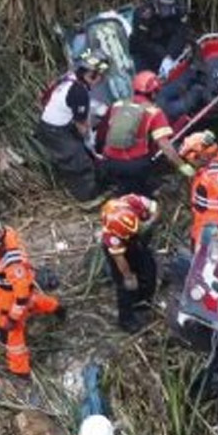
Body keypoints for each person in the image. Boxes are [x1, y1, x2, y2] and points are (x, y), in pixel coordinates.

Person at [99, 72, 193, 196]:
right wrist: (182, 166)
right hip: (136, 167)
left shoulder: (117, 105)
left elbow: (103, 133)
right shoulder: (154, 112)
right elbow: (165, 147)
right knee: (145, 196)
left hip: (110, 163)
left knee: (124, 190)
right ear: (154, 93)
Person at [36, 48, 111, 203]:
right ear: (92, 74)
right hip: (56, 131)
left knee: (76, 154)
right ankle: (87, 198)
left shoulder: (69, 77)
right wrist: (91, 145)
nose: (101, 80)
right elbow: (82, 126)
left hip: (49, 124)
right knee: (79, 162)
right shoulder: (79, 92)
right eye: (100, 77)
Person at [0, 221, 65, 379]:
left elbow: (21, 296)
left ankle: (20, 370)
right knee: (33, 301)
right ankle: (56, 308)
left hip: (13, 294)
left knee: (12, 332)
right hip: (9, 287)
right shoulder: (6, 233)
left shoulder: (12, 263)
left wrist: (12, 318)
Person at [100, 194, 160, 333]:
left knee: (149, 270)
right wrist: (128, 276)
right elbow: (120, 258)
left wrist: (150, 222)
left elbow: (155, 208)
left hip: (138, 242)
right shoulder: (112, 236)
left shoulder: (134, 201)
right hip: (121, 252)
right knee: (125, 287)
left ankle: (143, 302)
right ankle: (126, 320)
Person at [181, 131, 218, 249]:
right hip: (203, 220)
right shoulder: (217, 160)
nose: (189, 163)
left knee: (201, 259)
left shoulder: (214, 174)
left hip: (211, 223)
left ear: (201, 156)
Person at [129, 0, 193, 74]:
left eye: (169, 7)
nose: (166, 11)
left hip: (168, 44)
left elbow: (180, 34)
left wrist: (171, 55)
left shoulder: (179, 10)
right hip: (145, 50)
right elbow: (142, 41)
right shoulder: (144, 14)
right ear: (156, 5)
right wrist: (164, 56)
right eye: (163, 7)